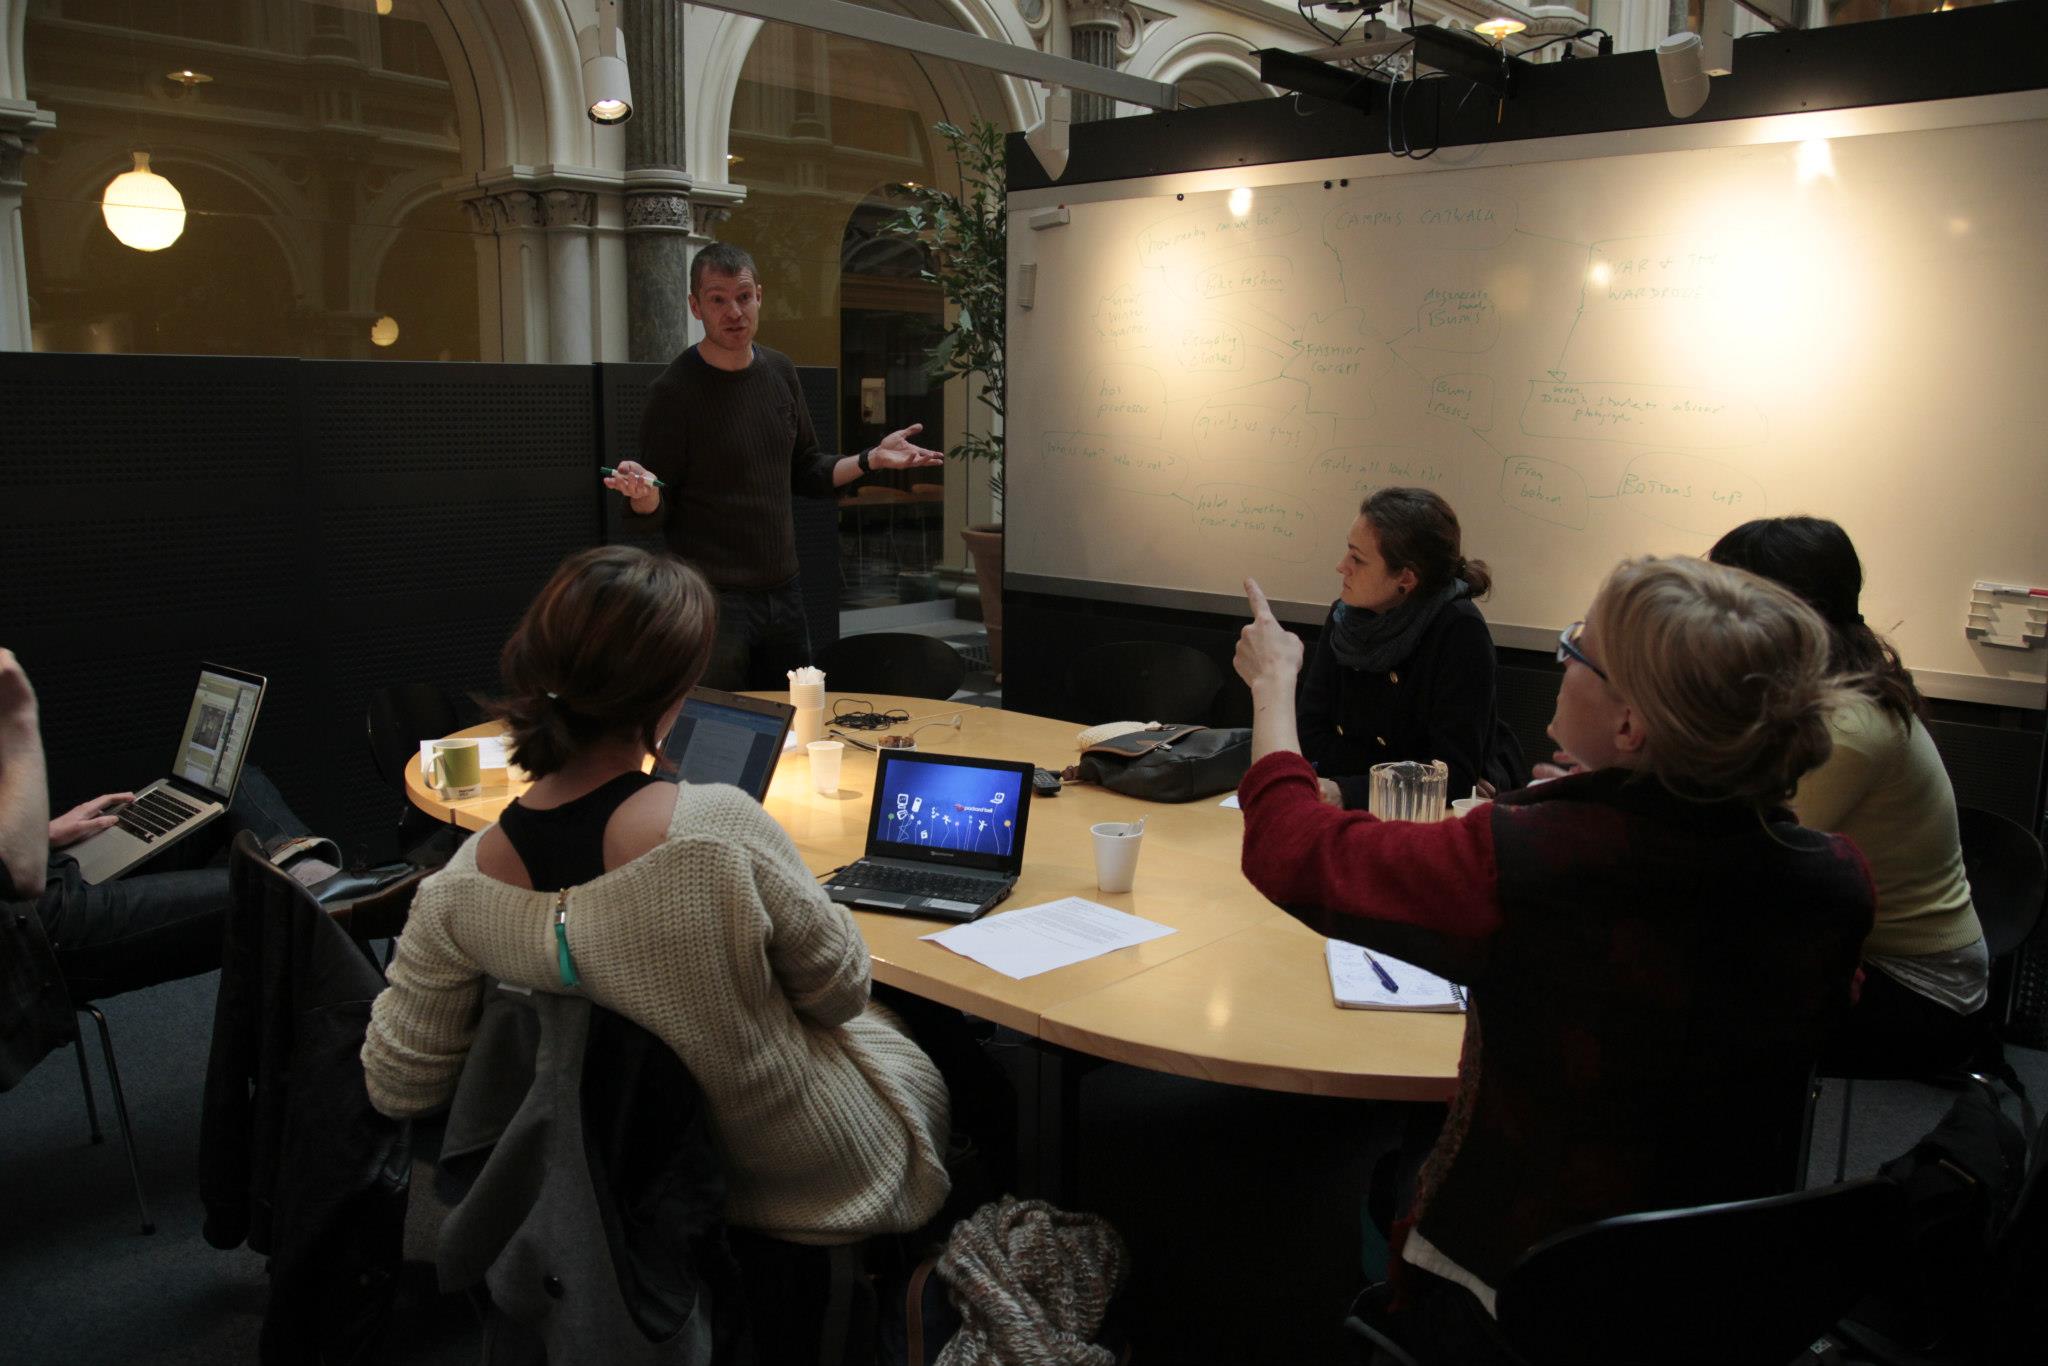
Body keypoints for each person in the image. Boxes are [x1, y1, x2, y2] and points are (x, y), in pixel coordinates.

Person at [1233, 558, 1873, 1357]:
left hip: (1530, 1286)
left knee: (1392, 1171)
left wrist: (1274, 686)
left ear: (1633, 725)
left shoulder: (1534, 860)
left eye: (1579, 645)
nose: (1563, 657)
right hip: (1728, 1280)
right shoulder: (1836, 878)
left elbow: (1292, 848)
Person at [360, 546, 952, 1245]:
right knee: (942, 1057)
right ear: (674, 692)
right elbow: (839, 994)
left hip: (591, 1199)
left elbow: (398, 1085)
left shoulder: (455, 894)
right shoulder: (718, 835)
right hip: (801, 1172)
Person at [1709, 516, 1989, 1074]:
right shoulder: (1821, 692)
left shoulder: (1844, 724)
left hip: (1918, 991)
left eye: (1724, 603)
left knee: (1682, 1001)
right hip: (1877, 959)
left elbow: (1752, 856)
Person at [603, 242, 944, 690]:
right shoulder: (675, 391)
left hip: (784, 592)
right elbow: (655, 509)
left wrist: (870, 459)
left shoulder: (780, 371)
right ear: (695, 306)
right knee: (716, 730)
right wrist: (647, 497)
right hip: (711, 600)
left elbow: (807, 469)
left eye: (743, 296)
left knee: (793, 723)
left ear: (759, 296)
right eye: (718, 299)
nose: (734, 312)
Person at [0, 647, 311, 1008]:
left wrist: (44, 834)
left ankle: (313, 878)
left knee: (235, 784)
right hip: (35, 927)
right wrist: (18, 711)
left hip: (47, 873)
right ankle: (323, 888)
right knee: (279, 897)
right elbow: (24, 876)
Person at [1296, 487, 1508, 808]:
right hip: (1349, 802)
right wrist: (1403, 773)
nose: (1342, 566)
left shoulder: (1459, 629)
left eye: (1358, 558)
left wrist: (1348, 789)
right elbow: (1309, 732)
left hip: (1425, 823)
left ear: (1405, 579)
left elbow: (1451, 777)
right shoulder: (1343, 616)